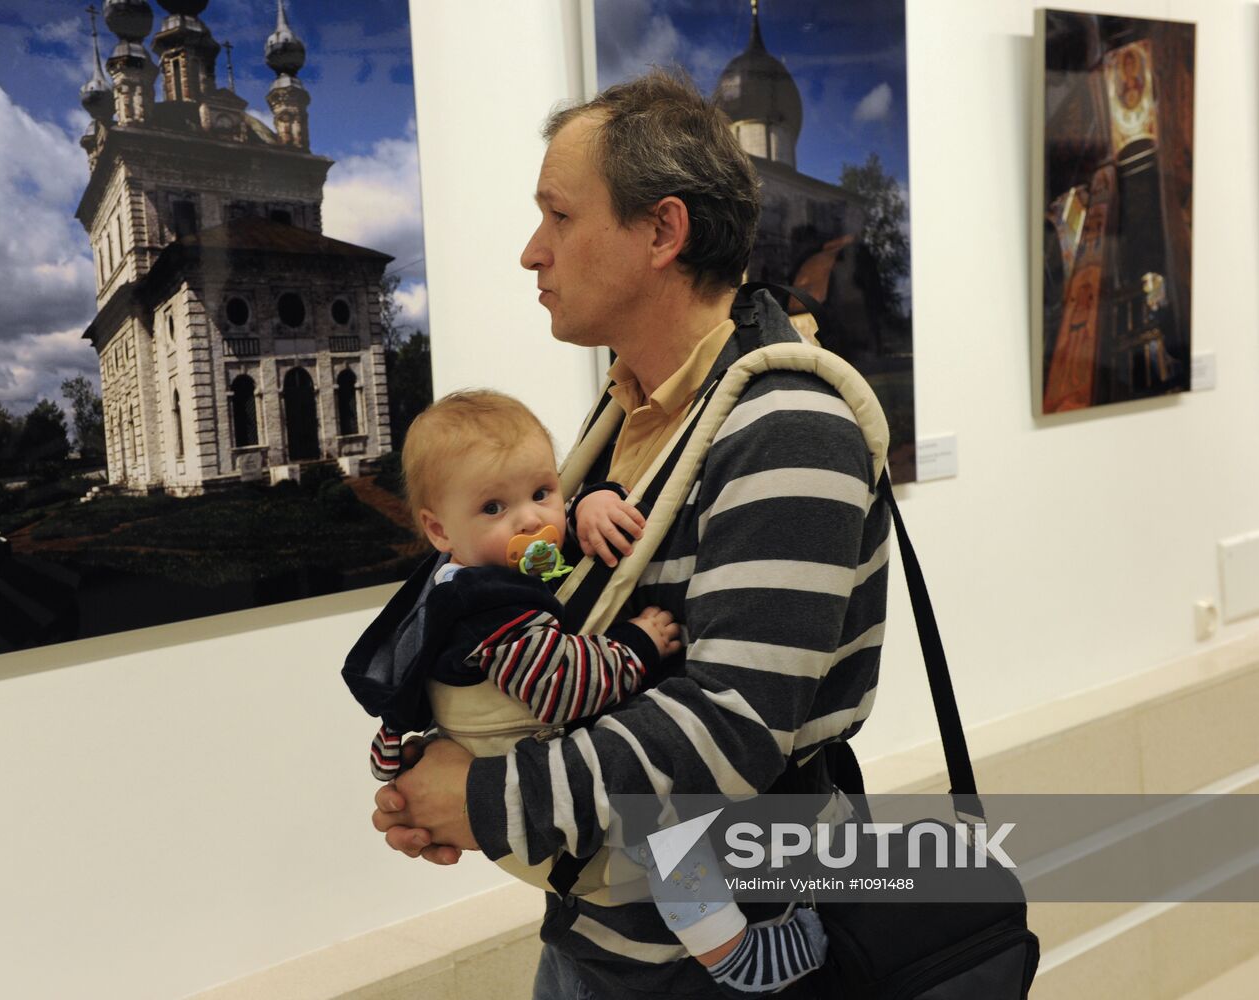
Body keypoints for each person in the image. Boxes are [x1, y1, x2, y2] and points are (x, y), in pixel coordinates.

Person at [371, 69, 891, 999]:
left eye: (559, 216)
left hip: (722, 964)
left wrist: (482, 799)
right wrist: (435, 760)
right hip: (606, 936)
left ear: (663, 231)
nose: (533, 252)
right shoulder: (630, 417)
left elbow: (732, 731)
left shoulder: (787, 426)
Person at [345, 388, 829, 997]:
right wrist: (639, 642)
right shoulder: (488, 613)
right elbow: (567, 687)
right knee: (671, 837)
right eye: (495, 506)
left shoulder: (465, 576)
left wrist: (590, 504)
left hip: (524, 817)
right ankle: (731, 953)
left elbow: (558, 569)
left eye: (542, 492)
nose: (530, 521)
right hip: (549, 814)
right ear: (440, 528)